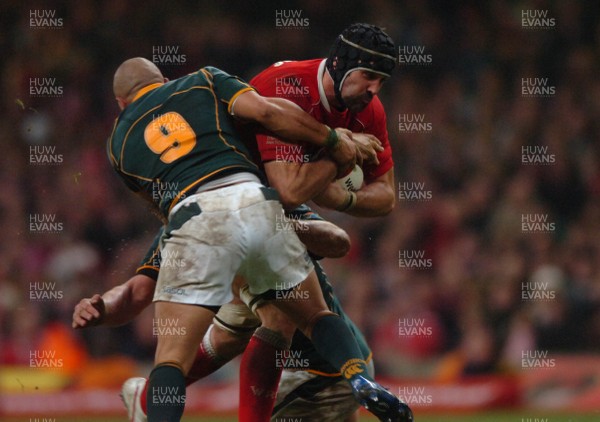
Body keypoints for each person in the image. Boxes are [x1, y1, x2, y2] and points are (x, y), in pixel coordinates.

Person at [107, 57, 408, 421]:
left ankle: (147, 404)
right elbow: (266, 113)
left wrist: (102, 308)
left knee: (177, 354)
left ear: (122, 104)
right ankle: (359, 378)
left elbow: (154, 225)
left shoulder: (119, 144)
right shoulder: (204, 82)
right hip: (250, 204)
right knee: (305, 316)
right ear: (166, 80)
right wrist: (334, 144)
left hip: (192, 220)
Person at [73, 207, 379, 422]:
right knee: (233, 327)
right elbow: (136, 292)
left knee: (261, 321)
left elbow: (339, 242)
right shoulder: (184, 224)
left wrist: (290, 224)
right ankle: (144, 399)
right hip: (344, 363)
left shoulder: (265, 207)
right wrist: (103, 308)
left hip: (322, 376)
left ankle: (144, 400)